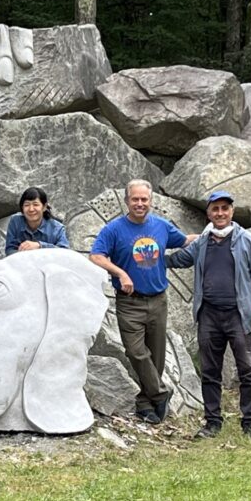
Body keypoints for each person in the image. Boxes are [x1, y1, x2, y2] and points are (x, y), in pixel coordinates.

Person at [89, 179, 196, 424]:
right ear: (127, 201)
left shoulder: (161, 226)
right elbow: (96, 256)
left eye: (144, 199)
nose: (140, 204)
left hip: (158, 300)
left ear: (150, 201)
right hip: (129, 302)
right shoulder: (114, 229)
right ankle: (160, 393)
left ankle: (145, 404)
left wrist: (213, 232)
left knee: (156, 356)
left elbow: (183, 240)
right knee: (136, 352)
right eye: (135, 199)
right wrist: (121, 273)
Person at [167, 190, 251, 439]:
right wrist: (145, 257)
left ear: (232, 211)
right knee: (210, 371)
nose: (220, 213)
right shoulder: (203, 241)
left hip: (239, 315)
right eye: (215, 209)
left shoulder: (246, 241)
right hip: (208, 315)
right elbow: (179, 260)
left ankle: (250, 423)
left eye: (225, 208)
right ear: (208, 213)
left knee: (247, 370)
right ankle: (212, 422)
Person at [4, 187, 70, 255]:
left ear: (44, 207)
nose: (31, 209)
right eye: (27, 205)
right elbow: (9, 250)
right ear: (22, 208)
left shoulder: (57, 229)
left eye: (35, 204)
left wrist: (40, 246)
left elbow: (64, 252)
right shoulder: (15, 222)